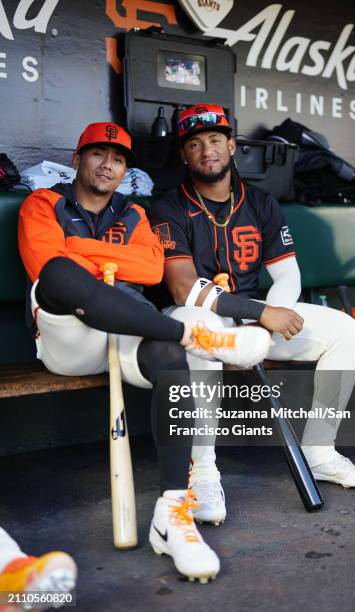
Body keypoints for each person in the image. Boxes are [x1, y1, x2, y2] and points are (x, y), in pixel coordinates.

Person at [17, 121, 271, 583]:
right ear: (77, 160)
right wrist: (84, 259)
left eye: (118, 159)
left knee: (172, 364)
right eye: (98, 154)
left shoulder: (134, 214)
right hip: (70, 337)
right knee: (56, 272)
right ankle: (189, 335)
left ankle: (172, 515)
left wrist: (78, 248)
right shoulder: (44, 203)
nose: (108, 164)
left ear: (125, 170)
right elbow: (44, 262)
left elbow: (152, 269)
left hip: (130, 329)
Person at [148, 104, 355, 525]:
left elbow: (287, 274)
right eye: (195, 144)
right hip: (195, 316)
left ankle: (320, 452)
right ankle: (201, 469)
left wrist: (269, 318)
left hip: (255, 316)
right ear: (184, 155)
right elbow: (183, 288)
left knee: (343, 329)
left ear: (232, 145)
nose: (207, 151)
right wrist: (259, 313)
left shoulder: (260, 202)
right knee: (199, 330)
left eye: (216, 140)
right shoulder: (168, 207)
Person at [0, 528, 76, 611]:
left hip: (13, 569)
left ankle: (27, 600)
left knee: (60, 563)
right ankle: (25, 602)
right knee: (60, 562)